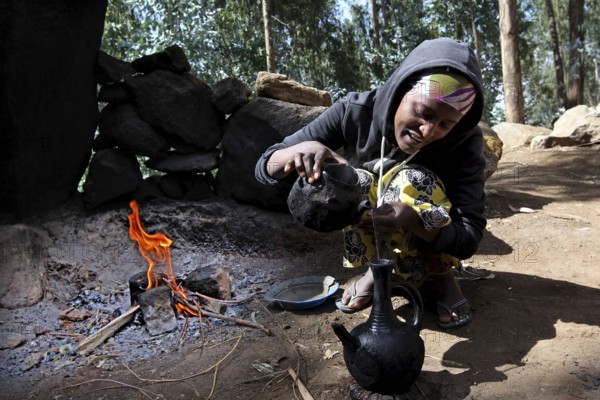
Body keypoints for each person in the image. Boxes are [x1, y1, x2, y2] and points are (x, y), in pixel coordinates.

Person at [255, 37, 486, 330]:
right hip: (374, 214)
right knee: (356, 180)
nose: (428, 131)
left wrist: (412, 218)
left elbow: (469, 235)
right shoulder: (356, 110)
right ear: (402, 90)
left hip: (429, 228)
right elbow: (264, 166)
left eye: (444, 124)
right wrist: (297, 151)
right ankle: (378, 272)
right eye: (423, 113)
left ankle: (442, 276)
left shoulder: (465, 143)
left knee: (411, 181)